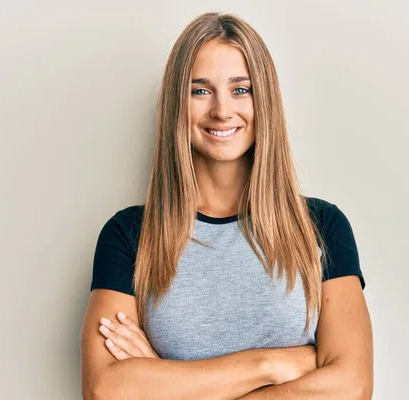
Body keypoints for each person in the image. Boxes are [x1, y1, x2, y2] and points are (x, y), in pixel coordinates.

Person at [80, 12, 373, 400]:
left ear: (263, 99)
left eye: (241, 89)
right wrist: (269, 365)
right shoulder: (130, 234)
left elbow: (351, 387)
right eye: (200, 91)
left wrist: (161, 379)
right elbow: (106, 390)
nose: (221, 110)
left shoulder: (321, 226)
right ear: (176, 105)